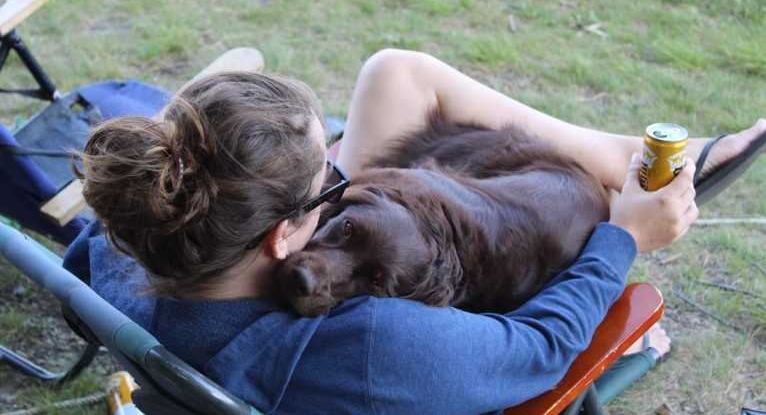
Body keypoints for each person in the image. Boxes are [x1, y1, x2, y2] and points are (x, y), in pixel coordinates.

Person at [63, 48, 765, 414]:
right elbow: (543, 348)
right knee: (406, 83)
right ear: (285, 238)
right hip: (464, 312)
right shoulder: (369, 344)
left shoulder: (120, 245)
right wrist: (625, 239)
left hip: (221, 304)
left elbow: (76, 273)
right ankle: (636, 177)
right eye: (328, 182)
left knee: (394, 74)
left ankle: (619, 155)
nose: (340, 177)